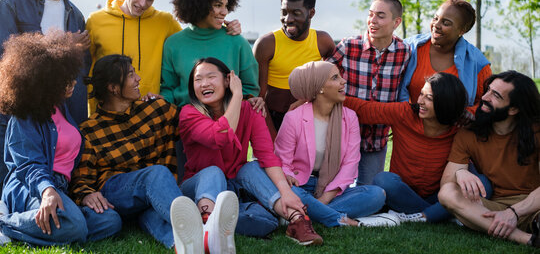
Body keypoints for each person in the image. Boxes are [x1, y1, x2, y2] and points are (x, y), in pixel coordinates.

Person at [70, 54, 238, 251]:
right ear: (113, 88)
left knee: (211, 172)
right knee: (156, 174)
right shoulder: (89, 130)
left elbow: (196, 123)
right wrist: (86, 194)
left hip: (161, 196)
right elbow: (82, 179)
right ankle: (206, 232)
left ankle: (193, 241)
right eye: (131, 75)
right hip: (119, 194)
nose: (138, 79)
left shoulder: (156, 109)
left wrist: (244, 102)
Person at [179, 57, 323, 245]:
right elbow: (220, 136)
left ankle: (297, 221)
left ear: (227, 80)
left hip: (235, 188)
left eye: (211, 77)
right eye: (198, 80)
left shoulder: (251, 110)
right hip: (201, 188)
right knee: (213, 172)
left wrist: (286, 191)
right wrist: (238, 95)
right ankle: (208, 226)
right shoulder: (189, 113)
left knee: (262, 210)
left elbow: (266, 156)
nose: (204, 83)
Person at [0, 31, 121, 246]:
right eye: (62, 79)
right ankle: (5, 223)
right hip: (31, 187)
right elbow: (28, 164)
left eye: (70, 75)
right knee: (74, 225)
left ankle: (62, 228)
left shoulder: (63, 109)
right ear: (42, 80)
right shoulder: (24, 115)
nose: (72, 83)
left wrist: (83, 194)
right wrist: (47, 191)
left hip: (62, 188)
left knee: (110, 221)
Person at [86, 0, 241, 112]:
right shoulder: (95, 21)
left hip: (150, 114)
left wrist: (224, 26)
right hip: (105, 113)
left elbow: (195, 37)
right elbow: (84, 70)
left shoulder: (165, 22)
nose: (142, 3)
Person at [0, 0, 90, 193]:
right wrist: (63, 44)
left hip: (61, 112)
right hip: (22, 111)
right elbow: (7, 55)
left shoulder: (75, 14)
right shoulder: (12, 2)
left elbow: (80, 69)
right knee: (16, 178)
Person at [345, 72, 491, 223]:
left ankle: (425, 215)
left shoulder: (459, 127)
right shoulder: (404, 113)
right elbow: (365, 109)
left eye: (429, 98)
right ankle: (441, 213)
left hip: (441, 193)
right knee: (383, 180)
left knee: (483, 183)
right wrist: (329, 96)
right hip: (403, 192)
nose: (420, 101)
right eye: (421, 94)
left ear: (446, 103)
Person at [274, 61, 388, 228]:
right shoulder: (294, 118)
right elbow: (282, 161)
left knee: (376, 194)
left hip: (332, 188)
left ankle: (301, 214)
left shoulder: (349, 117)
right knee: (289, 192)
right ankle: (334, 218)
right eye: (335, 78)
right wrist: (289, 178)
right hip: (300, 185)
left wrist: (324, 199)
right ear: (319, 87)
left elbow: (350, 163)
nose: (343, 81)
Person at [438, 71, 540, 248]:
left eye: (496, 95)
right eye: (488, 90)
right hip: (494, 207)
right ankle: (527, 239)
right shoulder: (468, 134)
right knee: (448, 193)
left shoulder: (537, 132)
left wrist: (515, 213)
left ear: (514, 109)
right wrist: (461, 172)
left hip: (534, 206)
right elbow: (446, 184)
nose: (485, 97)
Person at [327, 0, 410, 185]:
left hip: (377, 141)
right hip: (342, 139)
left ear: (396, 22)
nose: (373, 20)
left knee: (370, 193)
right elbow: (322, 80)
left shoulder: (404, 52)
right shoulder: (348, 47)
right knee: (334, 189)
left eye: (380, 16)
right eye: (371, 14)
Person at [161, 0, 259, 108]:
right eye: (218, 5)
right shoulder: (173, 44)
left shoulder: (237, 42)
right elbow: (167, 90)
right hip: (185, 123)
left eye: (226, 6)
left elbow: (250, 89)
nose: (225, 12)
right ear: (199, 4)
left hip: (230, 122)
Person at [253, 0, 335, 136]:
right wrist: (273, 139)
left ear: (311, 13)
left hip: (309, 120)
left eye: (296, 13)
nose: (288, 19)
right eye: (284, 12)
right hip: (271, 119)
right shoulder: (266, 44)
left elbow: (334, 82)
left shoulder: (323, 42)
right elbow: (258, 98)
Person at [399, 0, 491, 110]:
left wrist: (467, 114)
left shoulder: (478, 64)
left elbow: (486, 104)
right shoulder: (409, 48)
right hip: (408, 125)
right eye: (435, 18)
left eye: (446, 23)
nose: (436, 25)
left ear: (462, 30)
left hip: (454, 127)